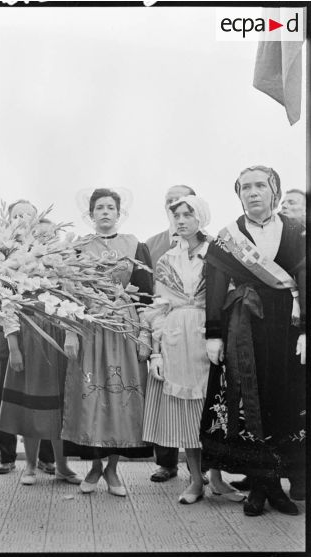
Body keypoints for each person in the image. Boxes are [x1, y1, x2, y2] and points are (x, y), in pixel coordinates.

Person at [200, 165, 306, 517]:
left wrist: (306, 329)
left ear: (275, 191)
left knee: (282, 401)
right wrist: (213, 335)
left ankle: (275, 485)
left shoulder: (297, 231)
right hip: (243, 329)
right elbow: (214, 288)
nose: (253, 192)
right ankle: (260, 488)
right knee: (249, 403)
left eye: (261, 185)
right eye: (245, 187)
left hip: (288, 330)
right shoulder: (228, 237)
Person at [142, 195, 245, 504]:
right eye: (177, 215)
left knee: (212, 406)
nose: (182, 219)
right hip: (175, 338)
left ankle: (216, 478)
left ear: (202, 216)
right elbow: (158, 306)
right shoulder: (166, 259)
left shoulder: (218, 254)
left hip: (209, 333)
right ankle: (196, 479)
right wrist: (156, 352)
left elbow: (228, 296)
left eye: (189, 213)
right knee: (187, 413)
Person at [62, 188, 154, 497]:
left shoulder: (135, 246)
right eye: (98, 207)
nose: (104, 212)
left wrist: (144, 335)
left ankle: (113, 468)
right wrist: (71, 332)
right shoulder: (78, 248)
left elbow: (146, 295)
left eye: (109, 207)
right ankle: (95, 466)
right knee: (91, 396)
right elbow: (69, 295)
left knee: (120, 396)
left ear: (118, 212)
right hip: (90, 327)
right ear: (90, 214)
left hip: (124, 328)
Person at [0, 214, 82, 487]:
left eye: (49, 234)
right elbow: (7, 306)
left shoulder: (65, 267)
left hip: (57, 341)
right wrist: (13, 346)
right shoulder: (18, 265)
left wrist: (71, 333)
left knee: (59, 406)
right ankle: (30, 466)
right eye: (39, 234)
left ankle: (62, 466)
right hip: (29, 339)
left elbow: (75, 303)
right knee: (28, 405)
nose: (44, 239)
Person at [0, 199, 55, 475]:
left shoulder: (46, 249)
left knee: (44, 386)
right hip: (3, 328)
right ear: (8, 219)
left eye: (27, 215)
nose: (21, 219)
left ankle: (46, 456)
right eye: (16, 215)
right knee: (4, 387)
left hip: (40, 328)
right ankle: (7, 455)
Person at [144, 184, 196, 483]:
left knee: (195, 398)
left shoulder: (209, 245)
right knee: (163, 393)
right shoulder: (152, 244)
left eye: (183, 202)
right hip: (162, 326)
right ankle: (166, 462)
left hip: (196, 330)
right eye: (170, 201)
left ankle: (198, 467)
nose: (175, 206)